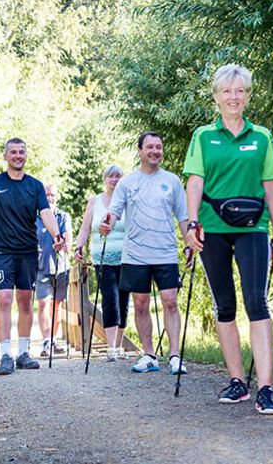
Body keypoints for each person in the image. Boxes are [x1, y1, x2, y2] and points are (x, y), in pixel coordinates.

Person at [183, 64, 273, 415]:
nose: (233, 97)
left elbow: (271, 188)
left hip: (252, 228)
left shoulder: (262, 137)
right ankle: (237, 381)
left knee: (257, 303)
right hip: (212, 228)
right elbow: (195, 182)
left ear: (247, 95)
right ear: (216, 96)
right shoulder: (202, 137)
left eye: (239, 91)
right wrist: (192, 223)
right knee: (224, 305)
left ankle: (267, 388)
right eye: (226, 91)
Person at [100, 132, 190, 375]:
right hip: (136, 254)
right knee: (140, 305)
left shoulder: (172, 181)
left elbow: (183, 216)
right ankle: (149, 355)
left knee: (170, 302)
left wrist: (189, 243)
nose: (155, 151)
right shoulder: (128, 182)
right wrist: (106, 223)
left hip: (166, 253)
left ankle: (174, 356)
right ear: (140, 151)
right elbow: (114, 211)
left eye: (159, 147)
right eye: (149, 147)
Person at [0, 138, 64, 376]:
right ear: (5, 156)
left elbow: (45, 212)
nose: (18, 156)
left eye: (22, 152)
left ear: (26, 156)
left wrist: (57, 235)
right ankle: (5, 354)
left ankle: (23, 353)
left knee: (25, 301)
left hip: (27, 250)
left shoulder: (35, 186)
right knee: (4, 298)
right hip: (1, 251)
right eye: (13, 152)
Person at [74, 165, 130, 361]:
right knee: (110, 298)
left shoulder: (126, 201)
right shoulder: (95, 201)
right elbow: (85, 229)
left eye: (118, 177)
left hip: (126, 257)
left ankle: (120, 346)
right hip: (102, 257)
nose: (115, 180)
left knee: (124, 300)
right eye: (111, 176)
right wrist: (79, 247)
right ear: (105, 179)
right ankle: (111, 347)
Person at [35, 183, 72, 357]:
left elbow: (68, 240)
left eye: (53, 196)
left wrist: (64, 243)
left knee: (56, 306)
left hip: (60, 267)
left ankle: (53, 340)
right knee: (43, 303)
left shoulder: (63, 216)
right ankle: (45, 341)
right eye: (47, 195)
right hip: (40, 266)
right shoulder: (34, 217)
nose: (50, 198)